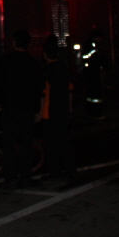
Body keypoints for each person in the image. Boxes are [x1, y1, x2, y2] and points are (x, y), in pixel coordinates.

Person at [0, 30, 45, 187]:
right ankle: (25, 176)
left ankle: (10, 177)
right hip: (27, 108)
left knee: (9, 144)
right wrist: (37, 108)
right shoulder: (33, 62)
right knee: (26, 144)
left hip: (9, 107)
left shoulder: (5, 60)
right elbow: (38, 87)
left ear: (15, 42)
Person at [41, 34, 77, 188]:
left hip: (49, 112)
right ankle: (70, 170)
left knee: (51, 144)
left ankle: (55, 172)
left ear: (45, 54)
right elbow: (70, 91)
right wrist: (70, 109)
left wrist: (39, 114)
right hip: (63, 110)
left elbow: (43, 94)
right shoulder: (64, 69)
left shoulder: (45, 71)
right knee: (65, 142)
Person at [81, 28, 106, 119]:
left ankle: (91, 112)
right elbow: (87, 57)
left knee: (90, 93)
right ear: (97, 37)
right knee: (96, 93)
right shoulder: (91, 46)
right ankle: (97, 113)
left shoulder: (92, 45)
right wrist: (95, 52)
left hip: (91, 72)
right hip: (92, 72)